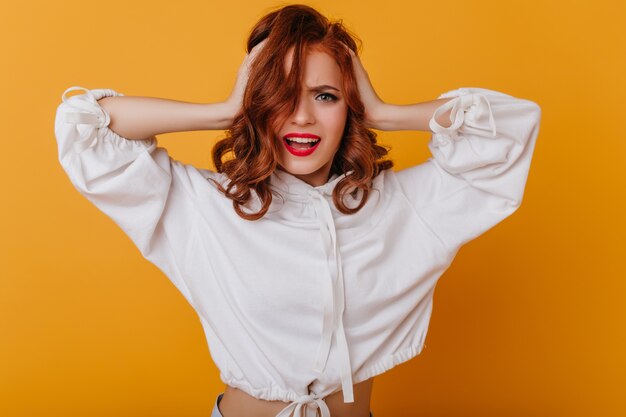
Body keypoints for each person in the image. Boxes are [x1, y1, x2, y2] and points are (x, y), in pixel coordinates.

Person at [53, 4, 542, 417]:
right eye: (280, 96)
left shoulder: (405, 208)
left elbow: (509, 131)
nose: (302, 115)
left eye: (325, 96)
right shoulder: (204, 208)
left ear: (349, 106)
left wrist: (384, 112)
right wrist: (224, 110)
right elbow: (87, 127)